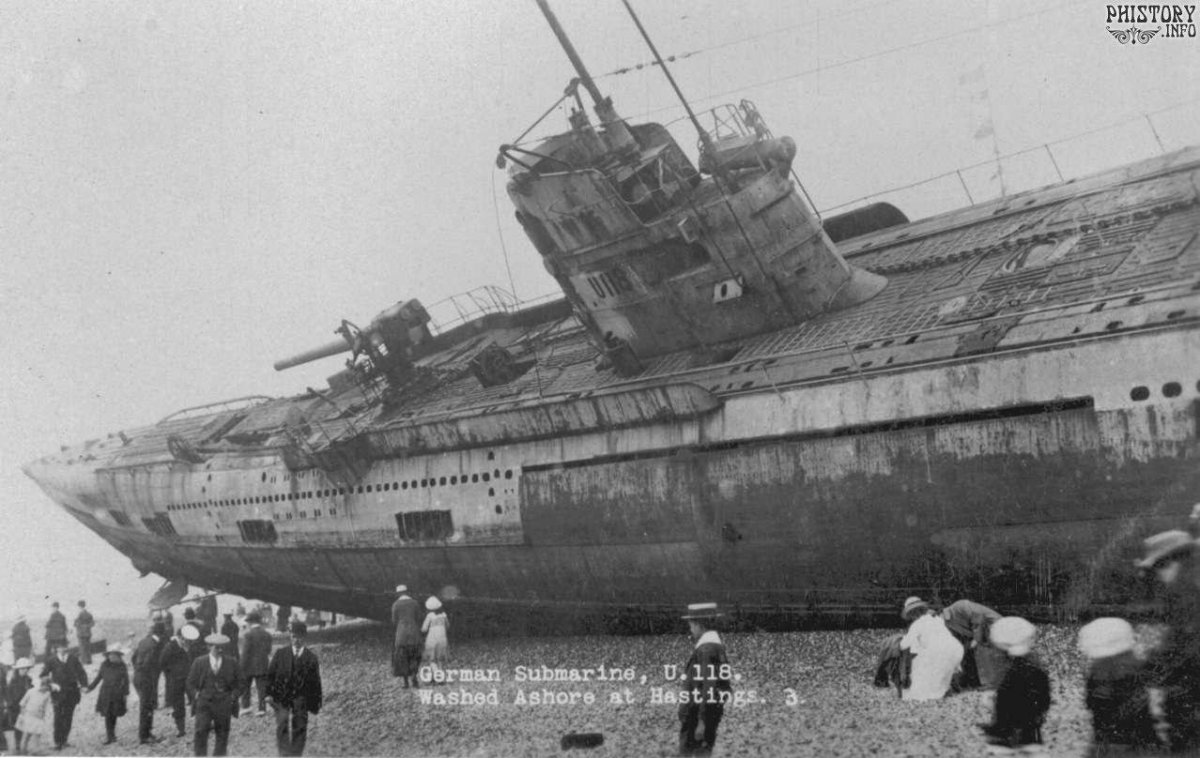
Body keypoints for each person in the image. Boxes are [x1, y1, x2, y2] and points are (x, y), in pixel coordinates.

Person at [1136, 529, 1200, 752]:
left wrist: (1150, 667)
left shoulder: (1188, 593)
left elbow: (1187, 643)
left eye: (1159, 568)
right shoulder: (1188, 587)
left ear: (1173, 562)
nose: (1159, 577)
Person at [1078, 617, 1159, 753]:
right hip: (1138, 737)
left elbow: (1097, 702)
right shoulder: (1137, 665)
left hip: (1112, 739)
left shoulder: (1101, 668)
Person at [979, 616, 1050, 750]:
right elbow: (1044, 693)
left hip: (1010, 712)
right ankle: (1029, 741)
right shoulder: (1036, 666)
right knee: (1030, 730)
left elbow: (1002, 692)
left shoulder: (1008, 669)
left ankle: (1004, 737)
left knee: (1006, 718)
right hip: (1032, 713)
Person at [677, 602, 732, 756]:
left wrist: (702, 721)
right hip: (706, 715)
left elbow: (709, 686)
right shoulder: (715, 647)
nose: (690, 629)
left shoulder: (706, 649)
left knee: (691, 753)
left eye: (692, 625)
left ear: (700, 625)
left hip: (696, 719)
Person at [266, 621, 323, 756]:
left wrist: (316, 702)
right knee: (282, 724)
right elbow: (270, 675)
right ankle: (284, 754)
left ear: (304, 638)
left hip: (301, 696)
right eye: (293, 636)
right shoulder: (281, 654)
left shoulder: (311, 658)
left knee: (300, 725)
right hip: (281, 694)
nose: (296, 640)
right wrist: (268, 694)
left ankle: (296, 754)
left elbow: (315, 682)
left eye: (299, 637)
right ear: (290, 636)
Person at [186, 632, 241, 757]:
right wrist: (196, 695)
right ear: (209, 647)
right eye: (216, 647)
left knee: (222, 733)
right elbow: (190, 682)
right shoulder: (199, 662)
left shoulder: (231, 662)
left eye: (222, 647)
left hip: (224, 703)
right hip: (204, 703)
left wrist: (233, 696)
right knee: (201, 731)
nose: (220, 650)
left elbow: (241, 682)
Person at [898, 596, 963, 701]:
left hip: (938, 652)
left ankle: (937, 689)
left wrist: (902, 639)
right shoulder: (937, 619)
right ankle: (947, 686)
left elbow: (904, 645)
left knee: (919, 674)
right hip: (956, 649)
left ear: (912, 614)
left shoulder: (916, 625)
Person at [940, 598, 1001, 690]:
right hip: (983, 634)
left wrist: (976, 639)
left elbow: (977, 616)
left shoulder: (960, 606)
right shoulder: (949, 623)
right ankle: (973, 682)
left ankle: (989, 683)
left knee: (980, 649)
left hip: (993, 625)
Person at [44, 639, 87, 750]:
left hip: (72, 692)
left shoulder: (73, 659)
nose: (62, 649)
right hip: (57, 694)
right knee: (58, 717)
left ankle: (65, 740)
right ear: (56, 648)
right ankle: (57, 742)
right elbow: (43, 676)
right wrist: (51, 684)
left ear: (67, 647)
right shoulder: (51, 660)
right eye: (60, 647)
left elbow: (81, 672)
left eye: (64, 647)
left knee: (68, 717)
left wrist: (84, 685)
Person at [132, 620, 167, 744]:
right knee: (147, 706)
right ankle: (144, 735)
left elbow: (133, 658)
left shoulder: (144, 641)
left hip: (138, 677)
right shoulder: (155, 645)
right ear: (162, 633)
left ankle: (147, 733)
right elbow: (149, 662)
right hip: (147, 679)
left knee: (147, 705)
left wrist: (138, 669)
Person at [161, 624, 198, 738]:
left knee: (196, 699)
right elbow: (162, 663)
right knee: (178, 704)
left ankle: (202, 722)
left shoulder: (187, 647)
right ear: (181, 637)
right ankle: (180, 728)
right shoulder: (170, 647)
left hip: (188, 678)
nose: (189, 643)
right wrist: (172, 673)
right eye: (187, 640)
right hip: (175, 680)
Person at [87, 647, 130, 745]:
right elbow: (98, 678)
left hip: (117, 694)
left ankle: (112, 735)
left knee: (114, 714)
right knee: (107, 714)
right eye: (110, 655)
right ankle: (110, 736)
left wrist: (125, 693)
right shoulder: (104, 665)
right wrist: (90, 688)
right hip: (105, 693)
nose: (112, 656)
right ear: (107, 656)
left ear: (118, 656)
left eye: (114, 655)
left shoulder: (122, 665)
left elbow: (126, 680)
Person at [239, 611, 273, 716]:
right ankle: (262, 709)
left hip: (248, 665)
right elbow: (268, 650)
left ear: (250, 622)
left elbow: (245, 652)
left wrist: (241, 666)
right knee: (261, 687)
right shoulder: (267, 634)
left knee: (246, 686)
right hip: (262, 664)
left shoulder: (248, 635)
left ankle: (246, 707)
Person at [391, 585, 422, 687]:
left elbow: (394, 620)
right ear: (407, 592)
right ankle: (414, 676)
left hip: (401, 633)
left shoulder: (396, 604)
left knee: (402, 657)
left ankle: (405, 682)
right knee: (414, 655)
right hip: (414, 632)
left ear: (398, 593)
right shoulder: (414, 603)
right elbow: (418, 617)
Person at [16, 674, 52, 756]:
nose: (45, 689)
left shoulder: (47, 694)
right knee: (26, 735)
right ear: (41, 685)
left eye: (47, 688)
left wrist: (44, 716)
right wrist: (22, 716)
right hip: (28, 716)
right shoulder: (31, 691)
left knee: (37, 735)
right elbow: (22, 704)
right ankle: (23, 751)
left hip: (39, 717)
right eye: (44, 687)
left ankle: (35, 751)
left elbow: (46, 706)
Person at [6, 658, 34, 750]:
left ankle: (25, 744)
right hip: (15, 706)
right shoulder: (13, 681)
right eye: (22, 669)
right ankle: (18, 745)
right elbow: (9, 694)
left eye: (26, 668)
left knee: (27, 726)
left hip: (26, 706)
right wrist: (11, 704)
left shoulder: (29, 679)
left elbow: (32, 691)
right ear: (18, 670)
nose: (25, 670)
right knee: (18, 727)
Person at [421, 596, 450, 683]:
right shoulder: (444, 615)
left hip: (432, 639)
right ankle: (436, 676)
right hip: (442, 639)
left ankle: (437, 676)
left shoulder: (429, 616)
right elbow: (448, 626)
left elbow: (424, 629)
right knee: (440, 659)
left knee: (431, 659)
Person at [73, 600, 95, 666]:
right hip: (88, 633)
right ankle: (89, 660)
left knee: (82, 647)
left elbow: (75, 624)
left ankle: (83, 661)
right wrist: (87, 626)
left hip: (81, 633)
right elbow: (92, 623)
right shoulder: (89, 614)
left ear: (79, 606)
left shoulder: (78, 614)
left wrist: (81, 626)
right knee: (88, 647)